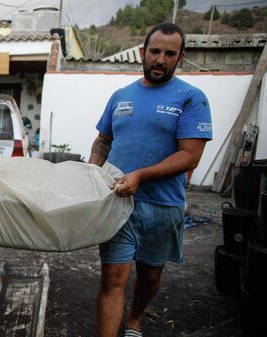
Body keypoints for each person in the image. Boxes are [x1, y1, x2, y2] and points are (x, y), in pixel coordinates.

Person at [88, 23, 212, 337]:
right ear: (143, 53)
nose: (160, 59)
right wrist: (91, 172)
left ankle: (134, 320)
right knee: (113, 278)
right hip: (118, 202)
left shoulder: (192, 98)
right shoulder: (121, 95)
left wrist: (141, 175)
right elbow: (103, 140)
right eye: (155, 51)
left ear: (180, 58)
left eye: (170, 54)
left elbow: (190, 156)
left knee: (150, 278)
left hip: (163, 206)